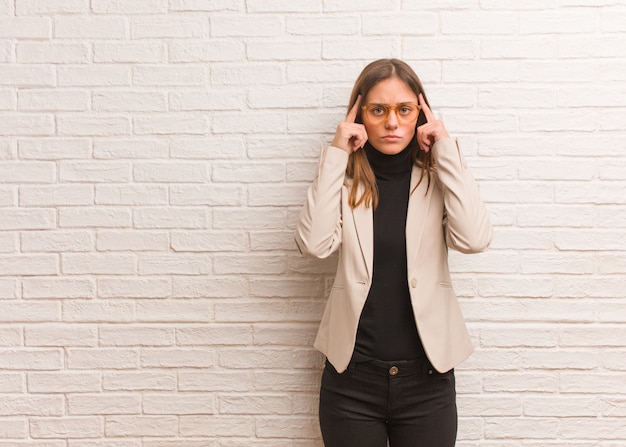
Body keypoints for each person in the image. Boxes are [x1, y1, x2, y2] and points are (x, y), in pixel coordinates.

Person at [294, 59, 493, 447]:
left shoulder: (436, 179)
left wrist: (446, 149)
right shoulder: (345, 182)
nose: (391, 122)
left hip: (427, 384)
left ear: (421, 114)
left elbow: (474, 238)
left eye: (404, 109)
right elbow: (314, 245)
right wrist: (336, 153)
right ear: (359, 115)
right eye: (378, 110)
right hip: (351, 382)